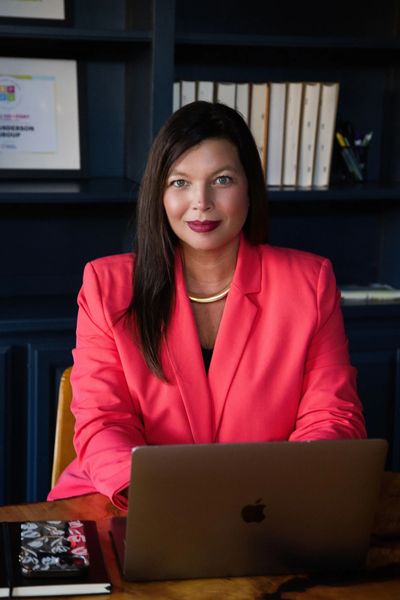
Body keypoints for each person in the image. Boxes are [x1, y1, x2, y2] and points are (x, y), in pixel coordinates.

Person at [48, 101, 366, 510]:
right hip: (131, 502)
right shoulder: (107, 286)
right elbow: (103, 422)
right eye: (180, 182)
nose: (201, 201)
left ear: (250, 187)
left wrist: (278, 495)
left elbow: (333, 418)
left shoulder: (310, 284)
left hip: (264, 509)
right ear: (158, 194)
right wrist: (167, 500)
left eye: (222, 179)